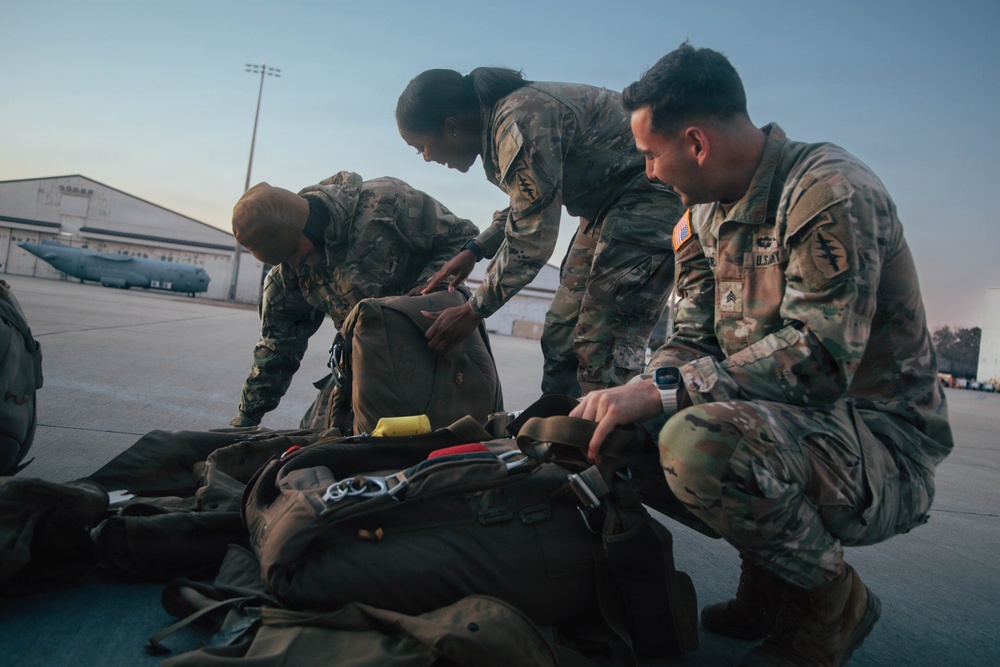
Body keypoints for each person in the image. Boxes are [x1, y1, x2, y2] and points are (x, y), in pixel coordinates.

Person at [571, 43, 953, 667]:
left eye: (649, 154)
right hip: (787, 426)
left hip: (881, 444)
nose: (647, 172)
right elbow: (689, 337)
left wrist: (663, 392)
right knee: (620, 438)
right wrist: (648, 387)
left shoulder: (829, 191)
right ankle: (775, 579)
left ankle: (834, 601)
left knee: (699, 442)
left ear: (695, 142)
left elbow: (820, 361)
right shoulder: (696, 219)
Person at [396, 67, 683, 396]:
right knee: (563, 332)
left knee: (603, 340)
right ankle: (561, 426)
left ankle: (611, 436)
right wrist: (474, 249)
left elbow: (532, 239)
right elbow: (530, 200)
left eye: (422, 147)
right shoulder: (503, 123)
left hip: (650, 195)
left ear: (452, 127)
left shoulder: (518, 121)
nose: (426, 158)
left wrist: (472, 311)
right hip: (606, 206)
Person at [229, 171, 479, 427]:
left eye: (294, 250)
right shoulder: (289, 275)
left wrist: (420, 295)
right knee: (319, 445)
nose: (296, 263)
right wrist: (246, 419)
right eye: (284, 260)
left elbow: (462, 235)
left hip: (433, 342)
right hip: (366, 362)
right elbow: (277, 351)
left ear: (305, 223)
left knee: (444, 440)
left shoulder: (385, 203)